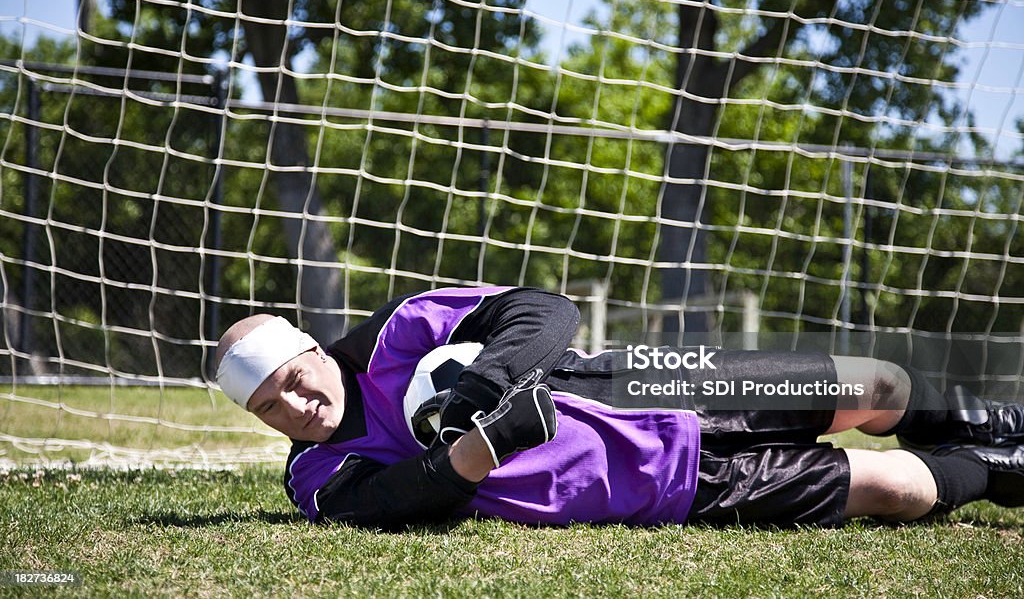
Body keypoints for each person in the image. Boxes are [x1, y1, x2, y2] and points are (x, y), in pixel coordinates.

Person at [213, 286, 1024, 529]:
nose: (293, 404)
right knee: (896, 490)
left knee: (872, 383)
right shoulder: (317, 473)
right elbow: (393, 502)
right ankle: (1000, 471)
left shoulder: (400, 334)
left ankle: (998, 423)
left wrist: (475, 397)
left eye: (291, 376)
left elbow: (547, 314)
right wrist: (479, 450)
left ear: (312, 348)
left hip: (663, 381)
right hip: (654, 484)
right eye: (268, 407)